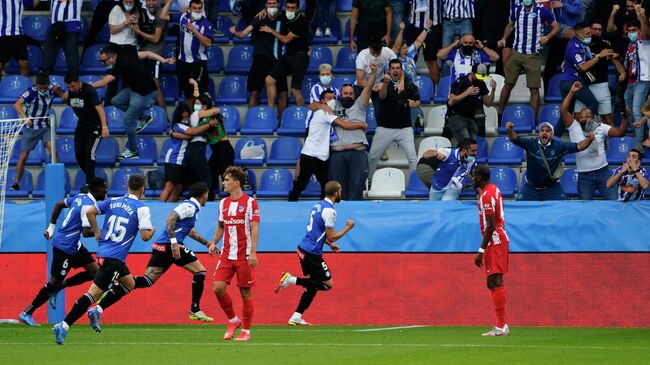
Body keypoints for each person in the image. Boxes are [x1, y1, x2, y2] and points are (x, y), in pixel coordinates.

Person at [87, 182, 215, 331]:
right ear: (205, 194)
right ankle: (195, 309)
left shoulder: (192, 209)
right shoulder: (190, 207)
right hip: (170, 247)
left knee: (146, 281)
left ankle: (106, 296)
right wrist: (174, 242)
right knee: (200, 271)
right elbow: (170, 219)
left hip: (160, 246)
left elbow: (189, 231)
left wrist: (207, 244)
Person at [53, 175, 155, 345]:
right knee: (93, 294)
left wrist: (97, 231)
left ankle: (98, 309)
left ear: (126, 185)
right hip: (113, 259)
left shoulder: (113, 201)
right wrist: (151, 230)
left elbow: (89, 211)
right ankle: (64, 325)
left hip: (106, 254)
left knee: (129, 284)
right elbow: (145, 236)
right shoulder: (142, 208)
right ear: (143, 189)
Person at [18, 178, 107, 327]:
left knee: (95, 272)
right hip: (64, 247)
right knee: (53, 283)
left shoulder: (80, 197)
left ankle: (58, 288)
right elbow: (86, 232)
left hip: (75, 245)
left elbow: (59, 204)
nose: (106, 191)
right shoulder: (87, 205)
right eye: (104, 188)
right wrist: (106, 232)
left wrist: (51, 227)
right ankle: (27, 312)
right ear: (97, 190)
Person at [275, 180, 355, 325]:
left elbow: (317, 232)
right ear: (336, 192)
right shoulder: (330, 211)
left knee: (313, 285)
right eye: (340, 191)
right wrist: (348, 227)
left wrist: (330, 245)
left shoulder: (317, 206)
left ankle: (296, 317)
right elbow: (331, 235)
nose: (340, 194)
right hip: (312, 253)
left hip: (303, 249)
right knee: (327, 284)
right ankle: (290, 280)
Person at [208, 166, 260, 342]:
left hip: (244, 255)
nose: (224, 183)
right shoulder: (223, 203)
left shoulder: (250, 203)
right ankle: (233, 320)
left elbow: (254, 227)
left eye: (227, 180)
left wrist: (253, 252)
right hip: (226, 254)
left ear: (236, 183)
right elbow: (221, 226)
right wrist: (214, 242)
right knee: (218, 288)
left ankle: (246, 331)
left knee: (246, 293)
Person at [289, 90, 369, 201]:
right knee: (302, 183)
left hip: (321, 155)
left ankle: (324, 206)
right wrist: (362, 124)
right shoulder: (324, 112)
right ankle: (291, 202)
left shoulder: (327, 111)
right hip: (311, 154)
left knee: (325, 184)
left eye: (333, 97)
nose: (332, 100)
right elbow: (345, 125)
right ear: (323, 101)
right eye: (329, 98)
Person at [560, 81, 629, 200]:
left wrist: (625, 118)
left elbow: (619, 132)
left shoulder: (600, 127)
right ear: (577, 118)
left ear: (593, 118)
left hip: (603, 172)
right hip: (584, 175)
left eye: (587, 117)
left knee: (613, 203)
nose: (584, 119)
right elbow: (563, 111)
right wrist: (572, 91)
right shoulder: (573, 126)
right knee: (585, 208)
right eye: (581, 117)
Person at [92, 44, 160, 159]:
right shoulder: (126, 55)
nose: (103, 64)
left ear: (113, 56)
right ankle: (143, 117)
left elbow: (104, 82)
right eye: (101, 61)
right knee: (116, 101)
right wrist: (163, 59)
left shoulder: (121, 65)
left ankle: (133, 151)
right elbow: (147, 54)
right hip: (135, 89)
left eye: (104, 61)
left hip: (146, 94)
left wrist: (86, 87)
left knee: (128, 120)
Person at [497, 0, 559, 118]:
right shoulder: (516, 8)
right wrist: (504, 38)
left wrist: (548, 37)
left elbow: (556, 26)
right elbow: (510, 24)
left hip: (533, 55)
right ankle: (500, 114)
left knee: (534, 89)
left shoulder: (542, 10)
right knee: (508, 84)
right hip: (516, 53)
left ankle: (533, 119)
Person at [505, 121, 595, 201]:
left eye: (547, 131)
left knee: (565, 208)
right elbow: (515, 139)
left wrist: (589, 139)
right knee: (519, 209)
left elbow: (579, 146)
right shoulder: (531, 144)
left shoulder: (559, 146)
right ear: (539, 134)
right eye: (542, 130)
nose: (544, 132)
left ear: (552, 135)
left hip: (552, 188)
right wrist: (510, 131)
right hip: (531, 188)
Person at [555, 22, 616, 136]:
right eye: (587, 33)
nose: (590, 35)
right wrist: (599, 56)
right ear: (579, 34)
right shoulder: (575, 47)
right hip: (573, 82)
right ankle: (588, 131)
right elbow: (583, 67)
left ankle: (554, 138)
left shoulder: (578, 42)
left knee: (566, 114)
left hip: (567, 82)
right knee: (593, 104)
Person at [471, 164, 510, 337]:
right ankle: (502, 325)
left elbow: (491, 225)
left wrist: (481, 250)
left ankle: (501, 327)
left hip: (494, 241)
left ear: (480, 177)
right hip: (496, 240)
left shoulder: (486, 196)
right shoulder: (493, 189)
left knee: (495, 280)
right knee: (492, 282)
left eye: (474, 176)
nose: (472, 179)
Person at [327, 72, 377, 201]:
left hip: (357, 153)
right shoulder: (332, 106)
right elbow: (314, 105)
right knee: (337, 191)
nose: (348, 96)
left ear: (355, 96)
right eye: (345, 93)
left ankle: (354, 219)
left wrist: (373, 72)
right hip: (337, 155)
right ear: (340, 94)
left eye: (350, 94)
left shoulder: (359, 105)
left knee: (356, 188)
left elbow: (369, 87)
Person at [368, 59, 420, 182]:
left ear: (401, 70)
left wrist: (414, 104)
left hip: (404, 128)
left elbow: (418, 101)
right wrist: (386, 82)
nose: (395, 70)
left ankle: (414, 182)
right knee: (372, 156)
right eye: (393, 68)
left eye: (398, 68)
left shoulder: (408, 83)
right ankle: (368, 181)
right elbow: (382, 96)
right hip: (385, 128)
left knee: (413, 157)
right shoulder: (383, 82)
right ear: (389, 70)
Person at [230, 0, 287, 111]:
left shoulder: (283, 19)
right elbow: (243, 34)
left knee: (283, 93)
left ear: (278, 5)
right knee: (254, 92)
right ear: (265, 5)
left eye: (274, 3)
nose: (272, 6)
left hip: (277, 61)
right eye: (269, 4)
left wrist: (271, 31)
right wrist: (235, 32)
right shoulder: (259, 17)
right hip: (260, 60)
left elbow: (288, 38)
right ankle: (250, 120)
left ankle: (281, 124)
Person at [10, 72, 61, 192]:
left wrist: (59, 91)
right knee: (23, 155)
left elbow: (64, 96)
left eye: (45, 87)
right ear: (36, 85)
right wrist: (24, 117)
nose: (42, 90)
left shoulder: (52, 89)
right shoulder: (31, 91)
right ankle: (16, 183)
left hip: (45, 127)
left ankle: (57, 181)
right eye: (40, 87)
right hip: (31, 128)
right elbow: (17, 104)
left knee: (54, 151)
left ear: (48, 85)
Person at [61, 72, 110, 188]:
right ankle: (94, 181)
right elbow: (67, 101)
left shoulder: (89, 90)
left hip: (95, 125)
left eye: (73, 86)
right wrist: (59, 92)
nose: (71, 89)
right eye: (68, 87)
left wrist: (104, 127)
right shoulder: (71, 92)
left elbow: (100, 109)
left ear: (79, 82)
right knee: (79, 155)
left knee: (89, 152)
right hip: (82, 125)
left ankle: (89, 183)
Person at [263, 0, 310, 112]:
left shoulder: (301, 22)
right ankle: (271, 113)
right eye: (288, 7)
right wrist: (263, 10)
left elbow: (285, 39)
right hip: (288, 56)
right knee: (269, 80)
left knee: (295, 90)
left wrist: (271, 31)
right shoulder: (284, 14)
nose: (289, 10)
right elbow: (276, 14)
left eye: (292, 8)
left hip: (300, 57)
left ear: (298, 8)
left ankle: (303, 117)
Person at [446, 63, 496, 143]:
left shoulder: (480, 83)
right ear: (472, 73)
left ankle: (465, 154)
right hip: (456, 116)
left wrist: (493, 90)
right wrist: (466, 93)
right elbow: (451, 102)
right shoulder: (460, 82)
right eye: (479, 76)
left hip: (470, 118)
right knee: (466, 144)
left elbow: (488, 103)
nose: (481, 79)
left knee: (472, 146)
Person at [621, 11, 650, 149]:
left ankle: (639, 142)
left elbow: (647, 33)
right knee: (628, 104)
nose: (632, 33)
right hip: (631, 82)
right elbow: (629, 65)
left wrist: (642, 17)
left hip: (642, 80)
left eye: (634, 30)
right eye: (630, 30)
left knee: (637, 110)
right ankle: (640, 131)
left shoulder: (644, 41)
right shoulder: (630, 45)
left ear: (639, 31)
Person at [134, 0, 169, 108]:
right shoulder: (142, 13)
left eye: (153, 0)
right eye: (148, 0)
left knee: (155, 86)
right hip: (142, 53)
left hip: (155, 55)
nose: (151, 3)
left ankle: (164, 118)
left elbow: (155, 38)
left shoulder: (160, 15)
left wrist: (138, 31)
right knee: (140, 87)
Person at [185, 95, 221, 191]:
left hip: (196, 148)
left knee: (198, 179)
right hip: (196, 148)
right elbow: (216, 110)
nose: (196, 106)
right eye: (195, 104)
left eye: (198, 104)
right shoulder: (196, 113)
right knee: (206, 180)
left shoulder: (197, 115)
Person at [404, 0, 443, 88]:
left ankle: (437, 90)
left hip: (433, 24)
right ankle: (407, 89)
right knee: (410, 59)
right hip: (414, 24)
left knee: (431, 60)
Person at [39, 0, 83, 74]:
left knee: (71, 56)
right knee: (48, 56)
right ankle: (45, 79)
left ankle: (73, 79)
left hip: (71, 24)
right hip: (55, 25)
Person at [160, 104, 193, 202]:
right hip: (174, 159)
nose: (185, 119)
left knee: (178, 187)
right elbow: (191, 134)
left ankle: (168, 211)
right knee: (169, 186)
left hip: (183, 161)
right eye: (183, 117)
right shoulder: (178, 125)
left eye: (187, 117)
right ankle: (158, 209)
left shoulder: (179, 128)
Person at [0, 0, 29, 78]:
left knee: (24, 63)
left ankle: (25, 87)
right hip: (3, 34)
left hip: (18, 34)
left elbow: (33, 4)